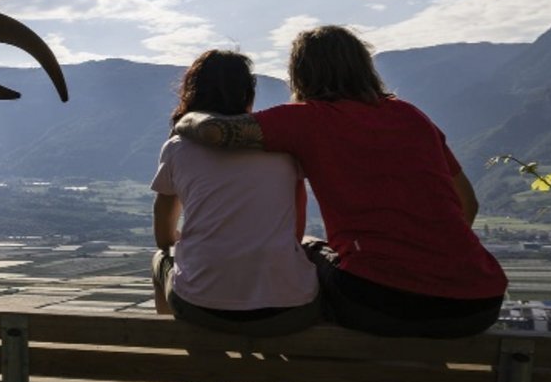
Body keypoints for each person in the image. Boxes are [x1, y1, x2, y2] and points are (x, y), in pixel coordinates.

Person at [172, 25, 505, 338]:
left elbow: (216, 132)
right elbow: (468, 203)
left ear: (301, 74)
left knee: (306, 254)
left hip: (378, 300)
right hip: (478, 303)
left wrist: (187, 118)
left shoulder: (308, 119)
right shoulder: (412, 116)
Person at [150, 49, 321, 336]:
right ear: (248, 96)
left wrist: (186, 243)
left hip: (200, 305)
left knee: (160, 259)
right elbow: (294, 227)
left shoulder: (177, 147)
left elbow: (163, 236)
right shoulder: (283, 146)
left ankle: (178, 350)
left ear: (191, 94)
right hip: (289, 308)